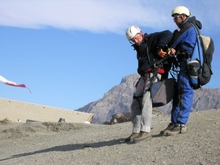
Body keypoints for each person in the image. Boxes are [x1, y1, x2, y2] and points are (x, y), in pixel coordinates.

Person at [125, 25, 173, 143]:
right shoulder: (138, 48)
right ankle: (136, 131)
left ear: (140, 33)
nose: (135, 41)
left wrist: (159, 47)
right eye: (132, 40)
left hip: (155, 73)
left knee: (147, 99)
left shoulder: (152, 38)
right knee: (136, 101)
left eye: (136, 38)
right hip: (145, 76)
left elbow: (168, 33)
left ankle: (145, 130)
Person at [160, 6, 202, 136]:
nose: (174, 20)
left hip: (187, 66)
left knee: (184, 93)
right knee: (179, 93)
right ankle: (174, 123)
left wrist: (174, 51)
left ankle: (180, 124)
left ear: (183, 16)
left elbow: (178, 44)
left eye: (176, 17)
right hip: (185, 66)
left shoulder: (187, 28)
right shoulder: (190, 27)